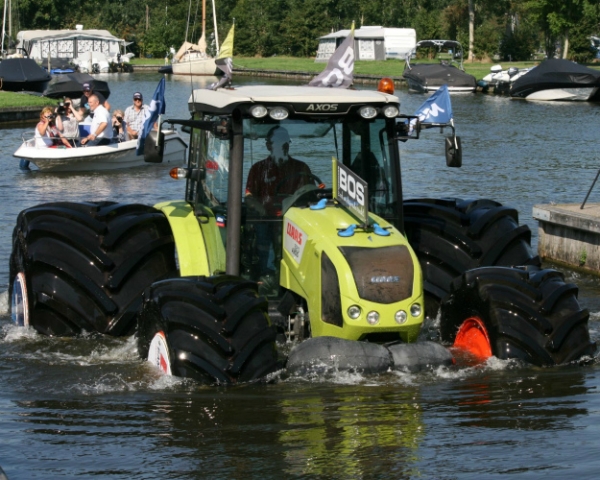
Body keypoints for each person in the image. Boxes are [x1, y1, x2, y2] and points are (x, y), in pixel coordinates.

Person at [245, 126, 313, 278]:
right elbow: (249, 196)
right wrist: (260, 209)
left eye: (285, 143)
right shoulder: (258, 169)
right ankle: (267, 275)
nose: (282, 146)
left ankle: (298, 275)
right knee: (262, 238)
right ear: (268, 145)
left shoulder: (301, 168)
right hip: (266, 218)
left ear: (288, 145)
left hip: (294, 220)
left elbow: (310, 194)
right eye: (277, 143)